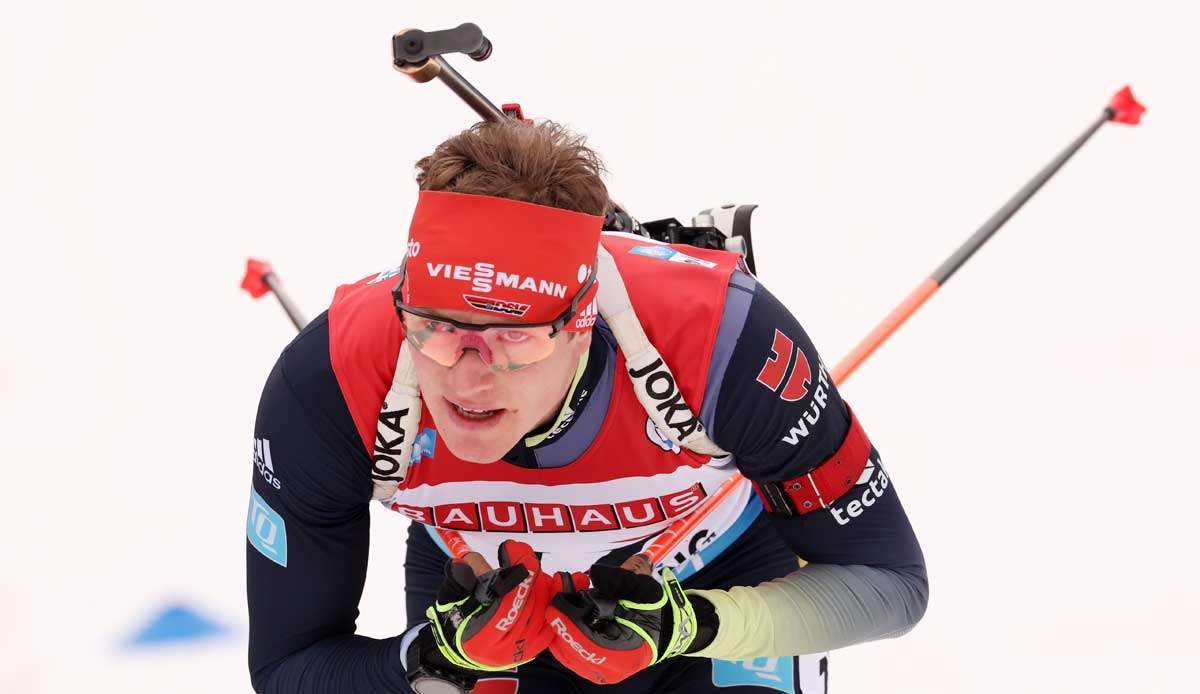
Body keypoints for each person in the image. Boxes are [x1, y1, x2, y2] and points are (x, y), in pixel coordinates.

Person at [246, 120, 928, 694]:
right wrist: (433, 655)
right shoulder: (332, 379)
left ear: (581, 323)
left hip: (715, 577)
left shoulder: (721, 340)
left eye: (513, 337)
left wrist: (688, 624)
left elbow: (892, 584)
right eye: (436, 328)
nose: (467, 378)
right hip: (482, 601)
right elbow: (286, 667)